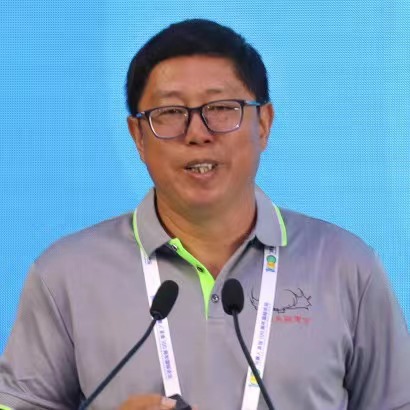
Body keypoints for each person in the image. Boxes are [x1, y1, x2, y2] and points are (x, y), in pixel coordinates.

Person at [0, 19, 409, 410]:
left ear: (263, 123)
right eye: (170, 113)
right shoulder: (65, 275)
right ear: (138, 136)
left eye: (222, 108)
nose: (197, 133)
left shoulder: (346, 266)